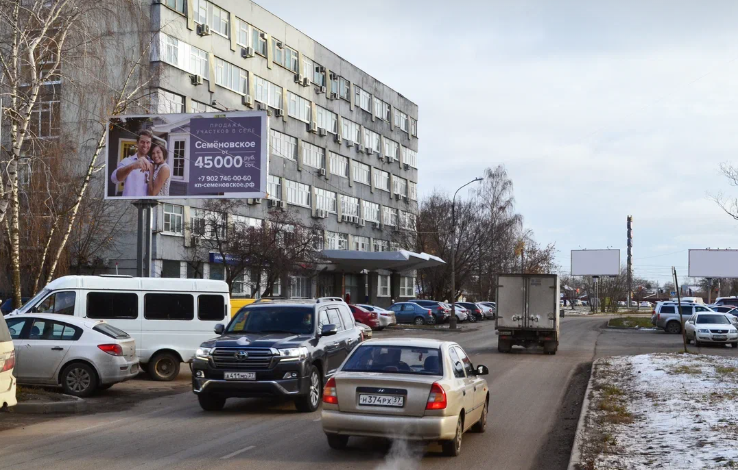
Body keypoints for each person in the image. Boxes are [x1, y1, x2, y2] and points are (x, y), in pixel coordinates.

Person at [111, 130, 153, 197]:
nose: (145, 145)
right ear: (137, 143)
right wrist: (133, 166)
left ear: (150, 144)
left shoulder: (153, 164)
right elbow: (114, 179)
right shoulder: (127, 161)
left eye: (148, 142)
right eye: (142, 142)